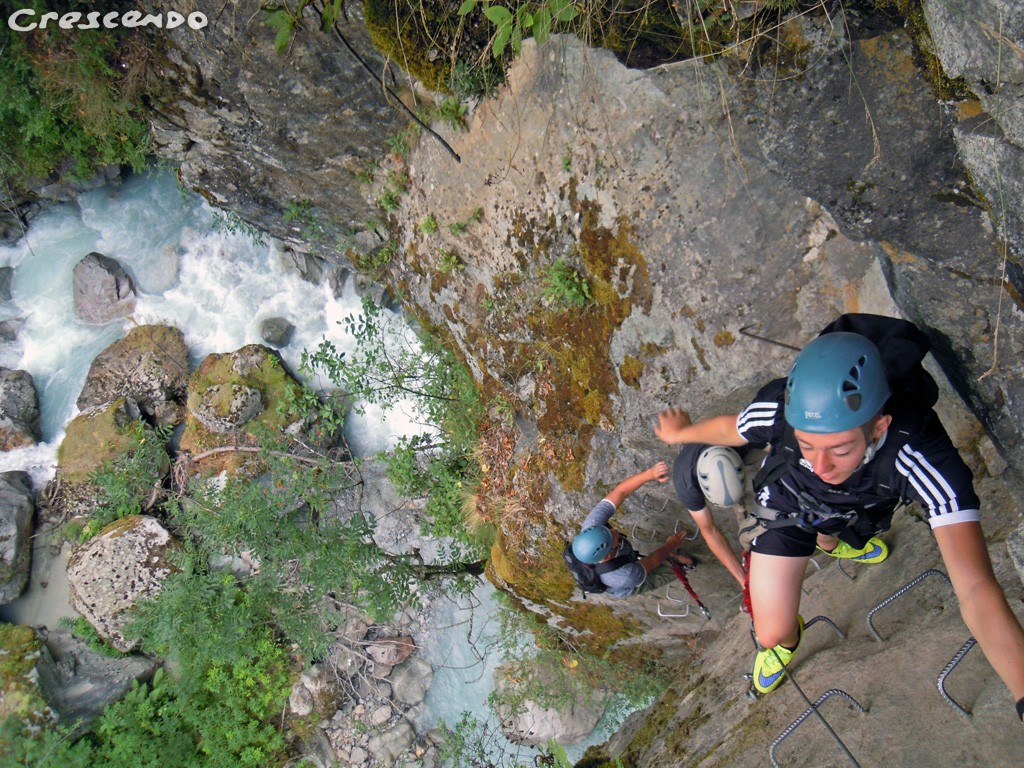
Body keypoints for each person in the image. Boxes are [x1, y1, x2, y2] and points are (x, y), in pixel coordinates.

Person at [655, 331, 1024, 722]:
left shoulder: (918, 455)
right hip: (784, 506)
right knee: (770, 634)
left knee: (831, 527)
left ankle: (834, 544)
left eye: (842, 448)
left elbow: (975, 586)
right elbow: (734, 429)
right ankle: (787, 638)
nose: (821, 466)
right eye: (807, 445)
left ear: (879, 427)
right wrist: (681, 435)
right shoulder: (781, 412)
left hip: (852, 510)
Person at [571, 461, 692, 597]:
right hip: (628, 583)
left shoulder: (592, 525)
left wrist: (650, 474)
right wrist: (671, 545)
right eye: (611, 537)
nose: (614, 530)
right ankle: (686, 566)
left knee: (648, 557)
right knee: (675, 566)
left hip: (620, 560)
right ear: (609, 554)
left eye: (606, 530)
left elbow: (621, 491)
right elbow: (652, 561)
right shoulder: (625, 576)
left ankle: (673, 558)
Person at [670, 443, 748, 589]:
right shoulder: (686, 484)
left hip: (738, 445)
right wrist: (743, 581)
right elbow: (708, 529)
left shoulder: (742, 433)